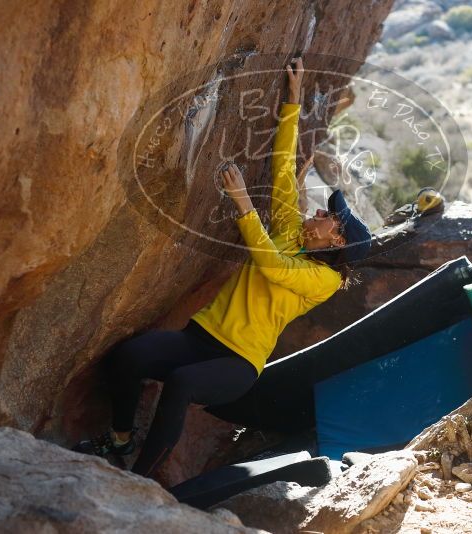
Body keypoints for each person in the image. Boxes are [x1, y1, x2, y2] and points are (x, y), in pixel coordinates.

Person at [73, 57, 373, 478]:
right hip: (201, 337)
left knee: (181, 385)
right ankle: (120, 439)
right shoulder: (292, 228)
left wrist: (244, 204)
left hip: (237, 363)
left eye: (330, 215)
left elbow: (272, 267)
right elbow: (283, 166)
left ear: (336, 239)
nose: (321, 210)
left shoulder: (324, 279)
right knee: (130, 356)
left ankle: (138, 481)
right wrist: (293, 102)